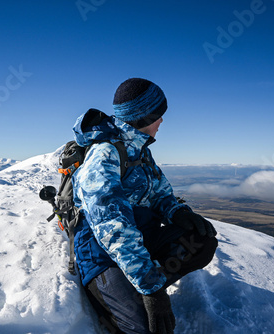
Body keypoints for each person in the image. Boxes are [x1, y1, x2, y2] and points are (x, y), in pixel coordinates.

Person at [72, 78, 218, 334]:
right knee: (143, 327)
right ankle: (134, 288)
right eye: (158, 115)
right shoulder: (104, 157)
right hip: (102, 253)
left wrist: (178, 212)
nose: (162, 121)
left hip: (142, 237)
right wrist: (153, 291)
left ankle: (139, 281)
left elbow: (160, 193)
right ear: (142, 117)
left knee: (202, 241)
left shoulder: (139, 150)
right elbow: (113, 229)